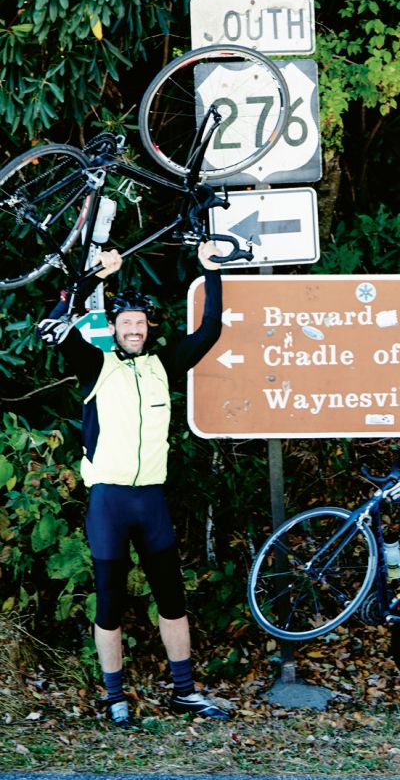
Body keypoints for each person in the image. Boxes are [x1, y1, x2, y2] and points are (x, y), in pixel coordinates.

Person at [38, 242, 230, 728]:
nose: (134, 329)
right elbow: (51, 328)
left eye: (141, 323)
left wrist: (210, 272)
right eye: (126, 324)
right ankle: (114, 697)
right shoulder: (95, 366)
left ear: (149, 328)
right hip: (109, 500)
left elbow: (210, 330)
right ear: (115, 331)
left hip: (151, 501)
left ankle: (185, 692)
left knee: (172, 599)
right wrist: (95, 276)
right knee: (110, 602)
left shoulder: (163, 366)